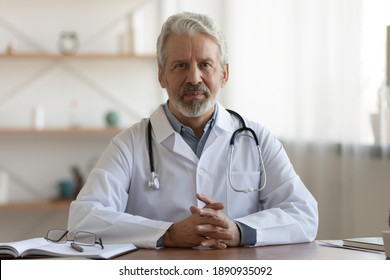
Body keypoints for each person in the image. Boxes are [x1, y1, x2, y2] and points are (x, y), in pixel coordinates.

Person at [67, 12, 318, 249]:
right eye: (180, 66)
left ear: (224, 74)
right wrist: (168, 234)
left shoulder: (256, 139)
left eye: (205, 64)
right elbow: (83, 220)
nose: (194, 78)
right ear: (161, 76)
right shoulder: (129, 144)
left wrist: (240, 231)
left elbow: (304, 213)